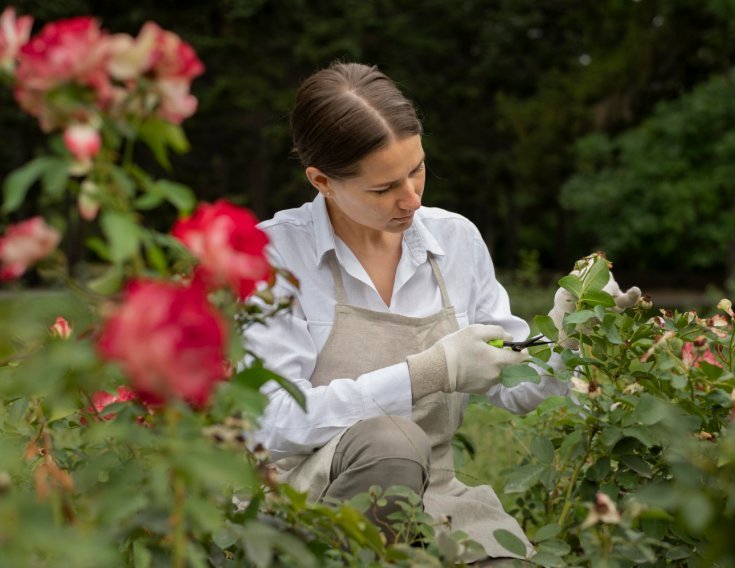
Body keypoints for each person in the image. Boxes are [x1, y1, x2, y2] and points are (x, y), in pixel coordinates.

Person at [245, 61, 639, 563]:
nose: (411, 199)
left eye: (417, 169)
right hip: (304, 497)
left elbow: (514, 385)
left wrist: (571, 336)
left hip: (436, 496)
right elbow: (273, 423)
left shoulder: (453, 239)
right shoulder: (274, 256)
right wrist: (426, 373)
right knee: (392, 443)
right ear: (322, 181)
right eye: (384, 188)